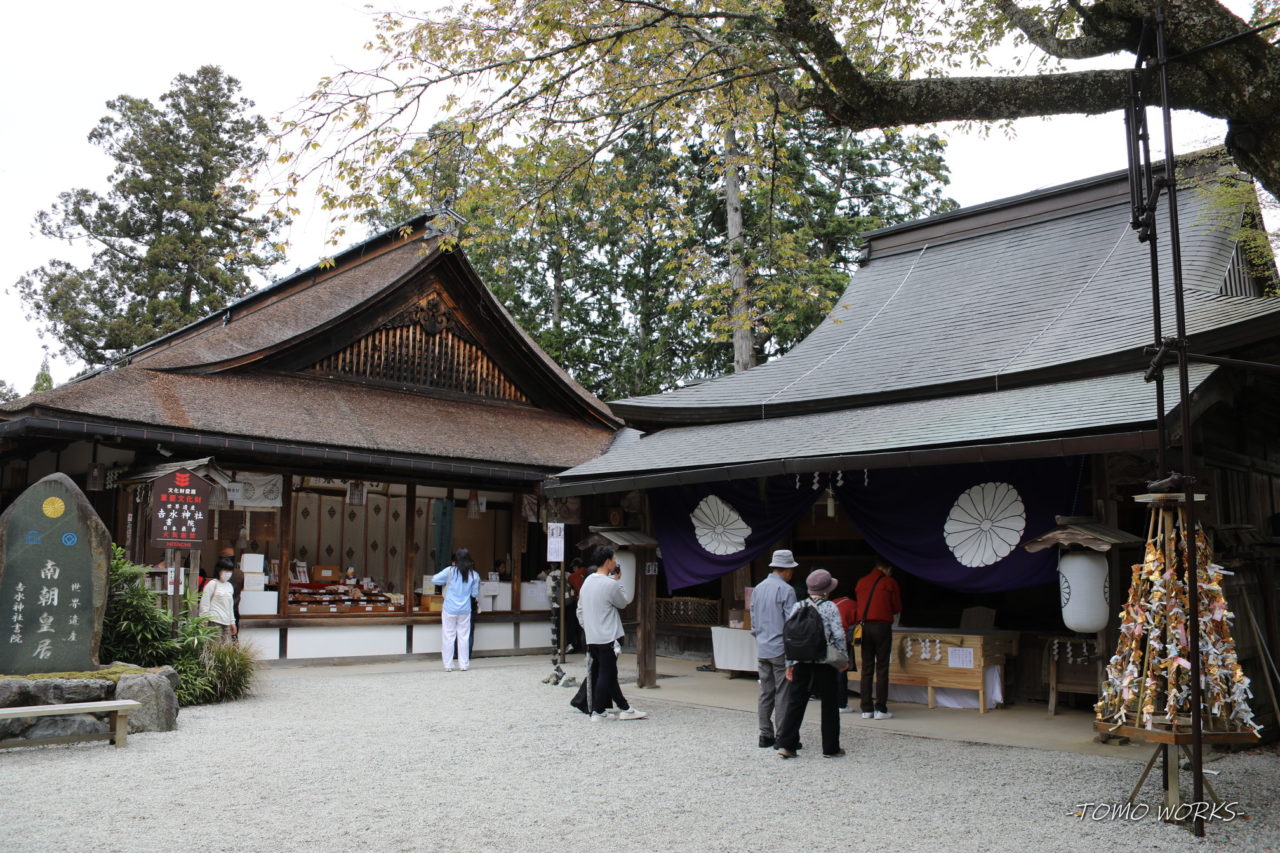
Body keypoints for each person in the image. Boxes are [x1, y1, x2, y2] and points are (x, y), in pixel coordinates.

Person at [776, 568, 848, 758]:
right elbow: (839, 634)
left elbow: (790, 636)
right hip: (825, 661)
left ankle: (787, 745)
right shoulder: (830, 607)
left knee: (795, 703)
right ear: (827, 589)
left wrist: (789, 663)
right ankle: (830, 748)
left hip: (800, 660)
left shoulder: (798, 607)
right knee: (830, 704)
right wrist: (843, 659)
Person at [576, 546, 646, 721]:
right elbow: (622, 603)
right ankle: (598, 711)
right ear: (608, 562)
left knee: (608, 673)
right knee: (606, 673)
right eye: (614, 559)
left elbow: (581, 610)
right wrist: (618, 581)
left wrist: (588, 628)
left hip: (593, 637)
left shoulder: (587, 582)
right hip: (608, 636)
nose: (616, 563)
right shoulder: (610, 584)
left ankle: (624, 708)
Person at [750, 549, 798, 748]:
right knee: (783, 693)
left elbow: (753, 619)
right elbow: (792, 623)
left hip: (762, 646)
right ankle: (783, 736)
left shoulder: (758, 588)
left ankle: (764, 734)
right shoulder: (787, 590)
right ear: (786, 570)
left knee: (765, 692)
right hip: (780, 648)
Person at [855, 556, 903, 720]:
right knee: (882, 667)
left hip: (864, 627)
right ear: (888, 569)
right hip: (882, 627)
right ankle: (880, 709)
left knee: (866, 668)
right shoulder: (889, 582)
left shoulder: (861, 582)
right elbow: (896, 607)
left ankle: (866, 708)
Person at [432, 547, 480, 671]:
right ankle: (463, 665)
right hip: (465, 609)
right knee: (464, 637)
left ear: (456, 560)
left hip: (449, 608)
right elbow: (474, 594)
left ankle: (448, 665)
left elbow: (435, 579)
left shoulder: (450, 571)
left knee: (448, 636)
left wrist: (445, 581)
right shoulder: (474, 575)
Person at [832, 585, 857, 712]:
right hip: (842, 640)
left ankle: (830, 701)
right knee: (841, 672)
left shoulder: (833, 602)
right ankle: (841, 704)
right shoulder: (853, 605)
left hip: (827, 640)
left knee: (829, 672)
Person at [199, 560, 238, 642]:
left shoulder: (230, 586)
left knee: (225, 651)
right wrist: (204, 620)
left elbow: (230, 607)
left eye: (230, 571)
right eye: (225, 570)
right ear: (218, 570)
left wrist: (232, 622)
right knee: (215, 649)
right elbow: (204, 603)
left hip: (227, 623)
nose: (228, 573)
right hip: (214, 621)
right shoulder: (212, 584)